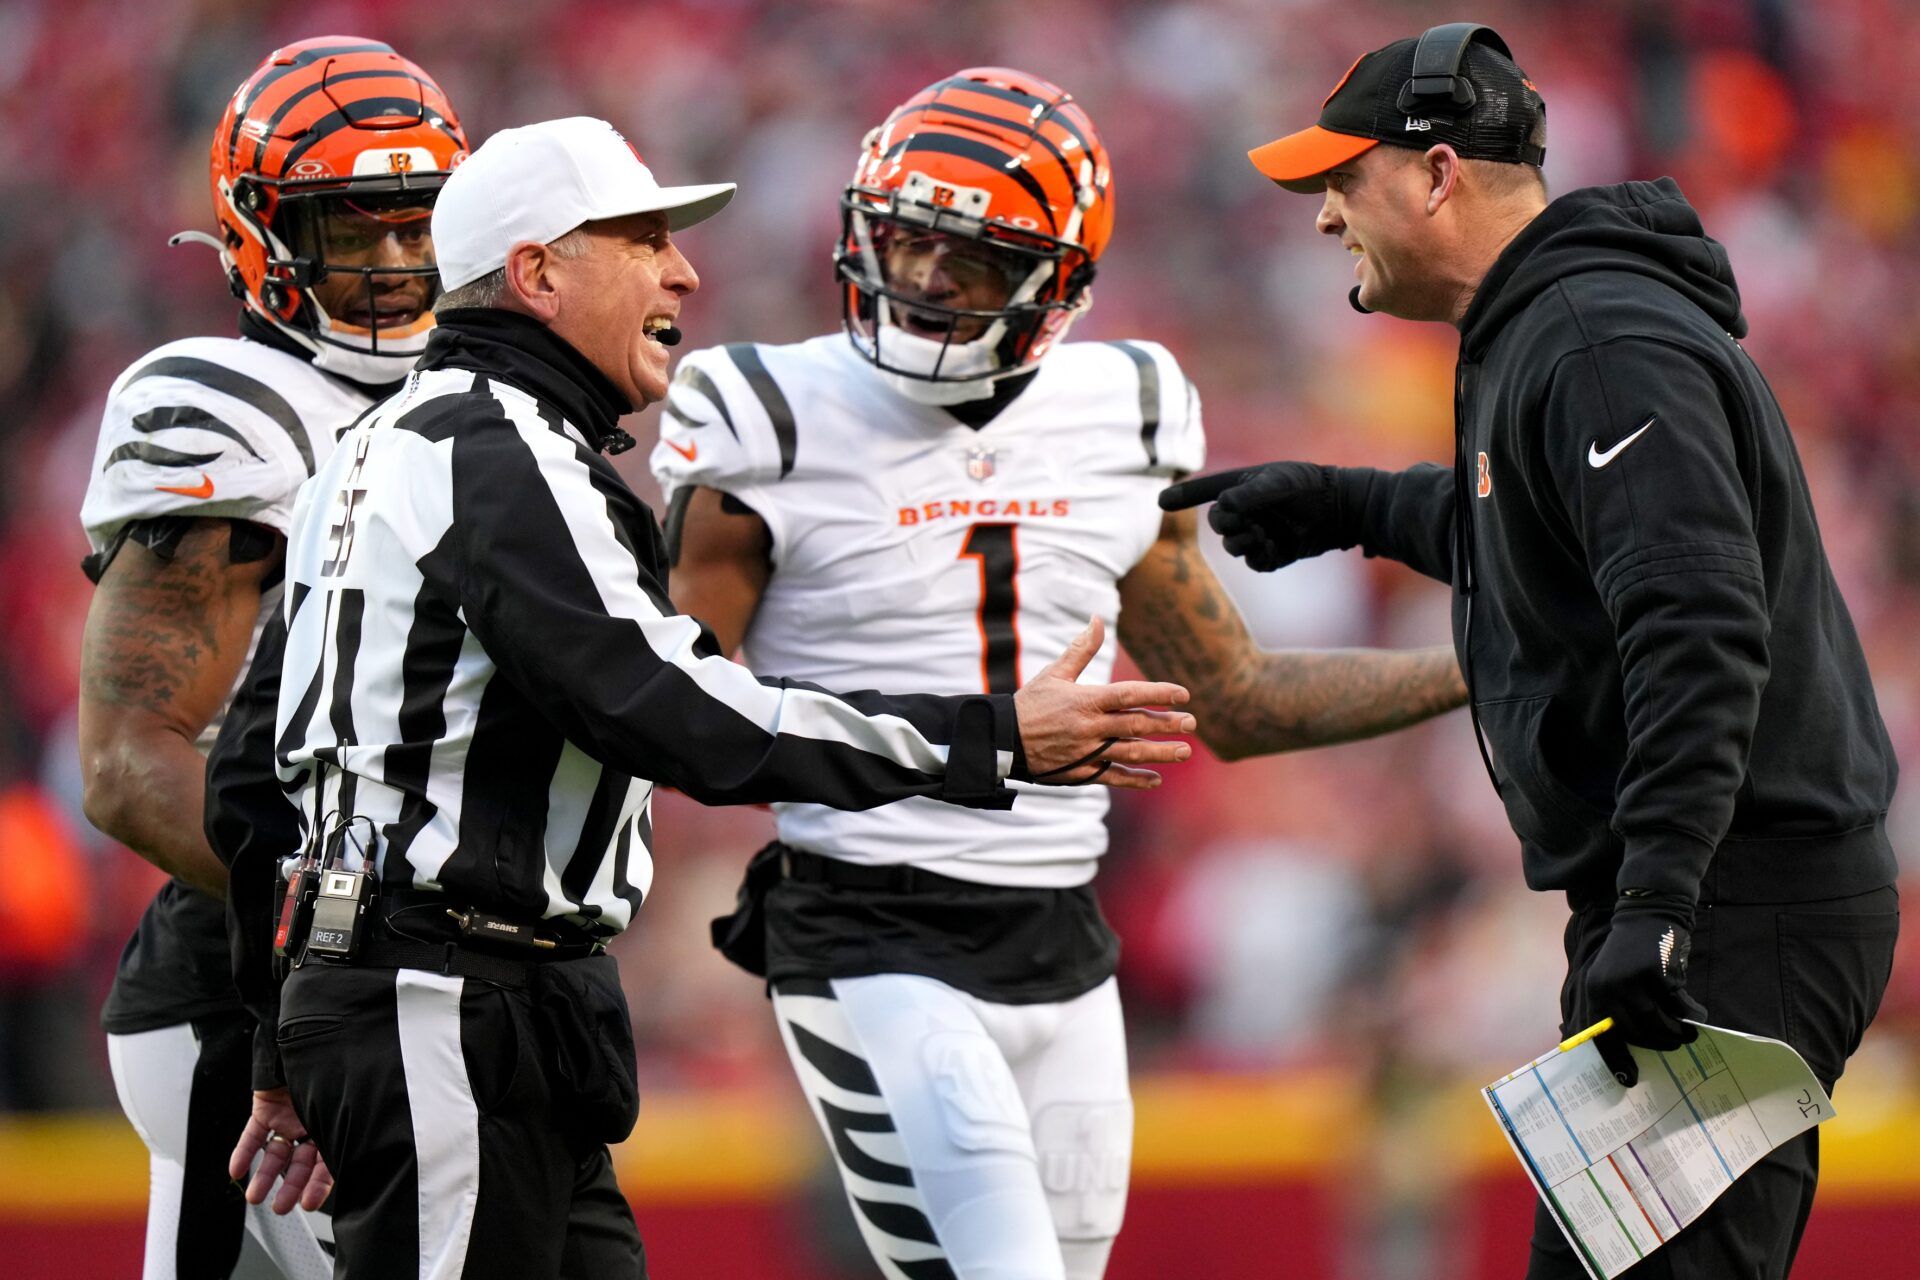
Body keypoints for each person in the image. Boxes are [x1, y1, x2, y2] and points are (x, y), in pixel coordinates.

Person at [212, 114, 1194, 1280]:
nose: (684, 270)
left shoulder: (371, 448)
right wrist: (992, 735)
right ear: (538, 273)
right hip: (450, 993)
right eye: (643, 240)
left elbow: (248, 783)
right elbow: (670, 706)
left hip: (452, 992)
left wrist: (283, 1032)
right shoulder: (498, 445)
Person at [653, 68, 1466, 1280]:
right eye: (907, 238)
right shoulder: (763, 410)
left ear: (1059, 281)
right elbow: (677, 710)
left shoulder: (1125, 407)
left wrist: (1480, 664)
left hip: (1066, 941)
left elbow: (1233, 700)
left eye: (969, 257)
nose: (923, 279)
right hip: (869, 924)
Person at [1162, 24, 1902, 1279]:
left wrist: (1662, 898)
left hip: (1732, 894)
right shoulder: (1553, 325)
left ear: (1439, 171)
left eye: (1345, 181)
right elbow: (1539, 533)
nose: (1327, 217)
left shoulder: (1596, 340)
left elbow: (1697, 627)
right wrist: (1352, 505)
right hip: (1708, 890)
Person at [75, 36, 469, 1280]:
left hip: (420, 988)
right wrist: (341, 925)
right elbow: (129, 759)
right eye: (359, 231)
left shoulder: (468, 401)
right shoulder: (237, 409)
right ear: (265, 235)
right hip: (248, 1006)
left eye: (421, 227)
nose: (400, 266)